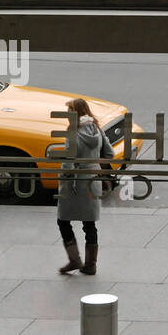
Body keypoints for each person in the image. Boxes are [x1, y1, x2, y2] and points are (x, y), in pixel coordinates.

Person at [56, 97, 112, 276]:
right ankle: (90, 265)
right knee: (89, 224)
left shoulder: (73, 132)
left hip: (75, 183)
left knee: (63, 220)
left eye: (69, 111)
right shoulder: (96, 128)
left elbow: (68, 162)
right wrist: (94, 165)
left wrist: (65, 177)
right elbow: (109, 153)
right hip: (92, 179)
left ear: (74, 113)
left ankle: (74, 260)